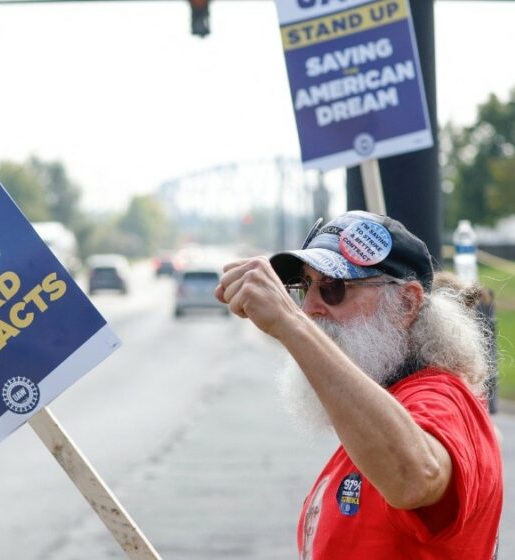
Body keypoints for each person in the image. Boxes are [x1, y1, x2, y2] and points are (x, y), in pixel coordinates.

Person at [215, 210, 502, 559]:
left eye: (333, 288)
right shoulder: (378, 407)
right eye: (304, 287)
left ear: (407, 303)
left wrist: (290, 325)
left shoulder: (441, 397)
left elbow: (415, 477)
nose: (308, 308)